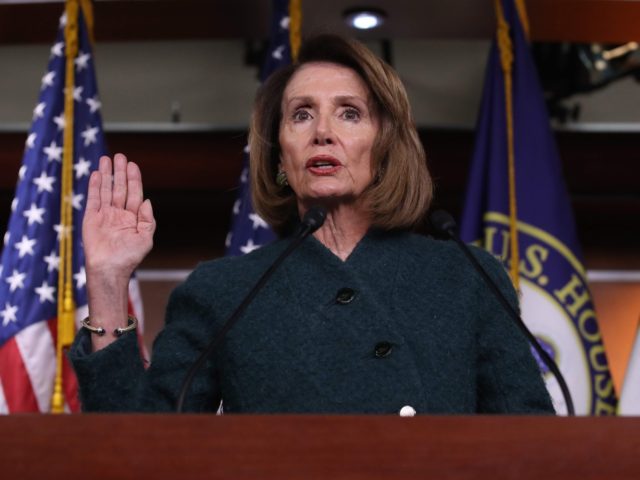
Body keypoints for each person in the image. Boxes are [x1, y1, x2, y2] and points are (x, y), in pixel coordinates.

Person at [69, 35, 554, 414]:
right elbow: (138, 447)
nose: (323, 132)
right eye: (301, 115)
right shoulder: (223, 291)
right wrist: (109, 282)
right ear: (281, 154)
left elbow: (534, 449)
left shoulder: (467, 278)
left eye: (350, 113)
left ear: (385, 147)